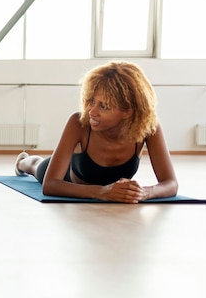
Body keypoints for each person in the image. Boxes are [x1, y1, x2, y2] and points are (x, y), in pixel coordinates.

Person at [14, 61, 178, 203]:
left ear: (127, 111)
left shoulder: (149, 127)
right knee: (36, 166)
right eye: (91, 101)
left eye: (104, 106)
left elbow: (171, 183)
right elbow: (50, 185)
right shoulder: (79, 122)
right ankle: (22, 162)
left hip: (105, 188)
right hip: (68, 177)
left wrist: (144, 192)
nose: (92, 111)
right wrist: (103, 192)